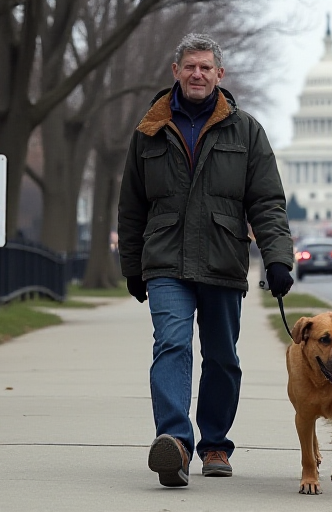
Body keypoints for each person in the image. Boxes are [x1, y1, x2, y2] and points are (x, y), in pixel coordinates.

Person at [117, 33, 295, 488]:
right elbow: (132, 206)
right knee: (171, 345)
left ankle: (215, 442)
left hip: (222, 259)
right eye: (189, 67)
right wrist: (132, 266)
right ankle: (174, 443)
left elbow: (268, 202)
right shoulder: (149, 130)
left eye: (206, 67)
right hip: (166, 261)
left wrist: (277, 259)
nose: (198, 74)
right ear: (175, 72)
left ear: (220, 75)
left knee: (221, 358)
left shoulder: (247, 130)